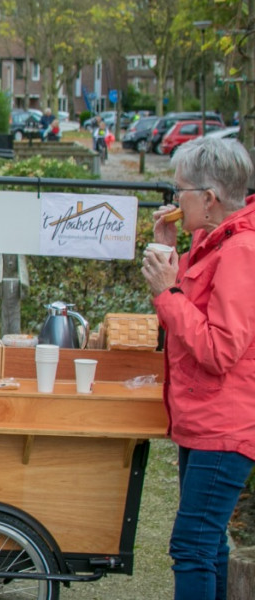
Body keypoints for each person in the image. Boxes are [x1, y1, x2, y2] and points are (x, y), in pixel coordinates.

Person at [141, 136, 255, 600]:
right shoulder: (213, 243)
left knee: (191, 546)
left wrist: (166, 292)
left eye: (180, 190)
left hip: (224, 426)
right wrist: (169, 252)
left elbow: (220, 349)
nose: (174, 199)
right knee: (209, 546)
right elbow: (189, 313)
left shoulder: (241, 251)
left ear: (209, 198)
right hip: (204, 421)